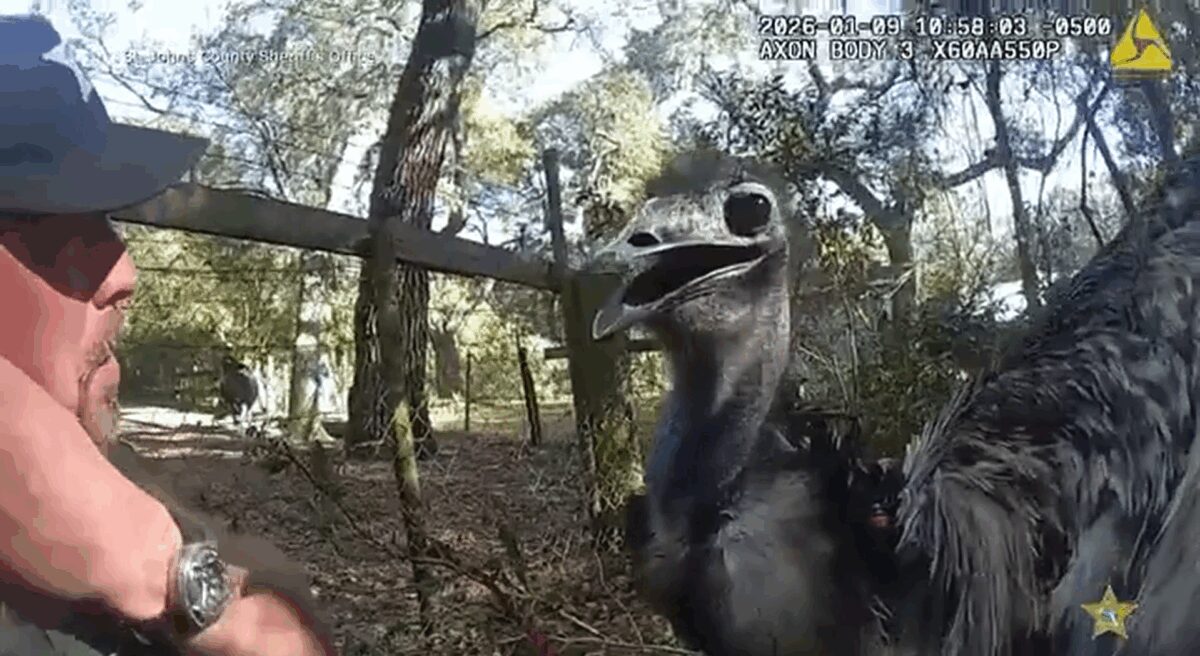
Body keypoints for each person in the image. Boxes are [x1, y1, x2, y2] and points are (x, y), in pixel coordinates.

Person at [0, 13, 335, 656]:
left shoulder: (114, 470)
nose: (123, 272)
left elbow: (278, 627)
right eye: (47, 233)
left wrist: (163, 571)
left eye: (104, 222)